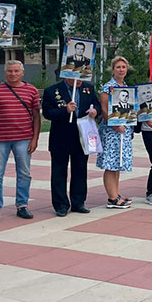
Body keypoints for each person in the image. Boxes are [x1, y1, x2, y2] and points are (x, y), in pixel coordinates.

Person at [0, 60, 40, 224]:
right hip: (1, 138)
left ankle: (22, 204)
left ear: (22, 72)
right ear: (5, 72)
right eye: (9, 71)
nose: (13, 74)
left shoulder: (32, 90)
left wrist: (35, 139)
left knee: (24, 174)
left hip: (24, 137)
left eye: (16, 71)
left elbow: (36, 115)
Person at [42, 72, 101, 217]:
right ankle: (61, 204)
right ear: (67, 75)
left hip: (81, 135)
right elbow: (48, 113)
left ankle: (78, 202)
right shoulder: (52, 91)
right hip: (61, 136)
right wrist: (65, 110)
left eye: (82, 77)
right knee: (59, 172)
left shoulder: (88, 88)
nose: (79, 80)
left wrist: (95, 111)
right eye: (76, 77)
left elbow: (97, 105)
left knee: (80, 169)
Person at [98, 57, 137, 208]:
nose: (121, 69)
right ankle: (112, 198)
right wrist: (114, 125)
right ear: (113, 69)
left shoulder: (125, 86)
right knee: (110, 163)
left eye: (123, 67)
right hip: (111, 131)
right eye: (118, 67)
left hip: (123, 130)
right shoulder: (108, 87)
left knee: (118, 163)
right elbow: (104, 108)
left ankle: (116, 193)